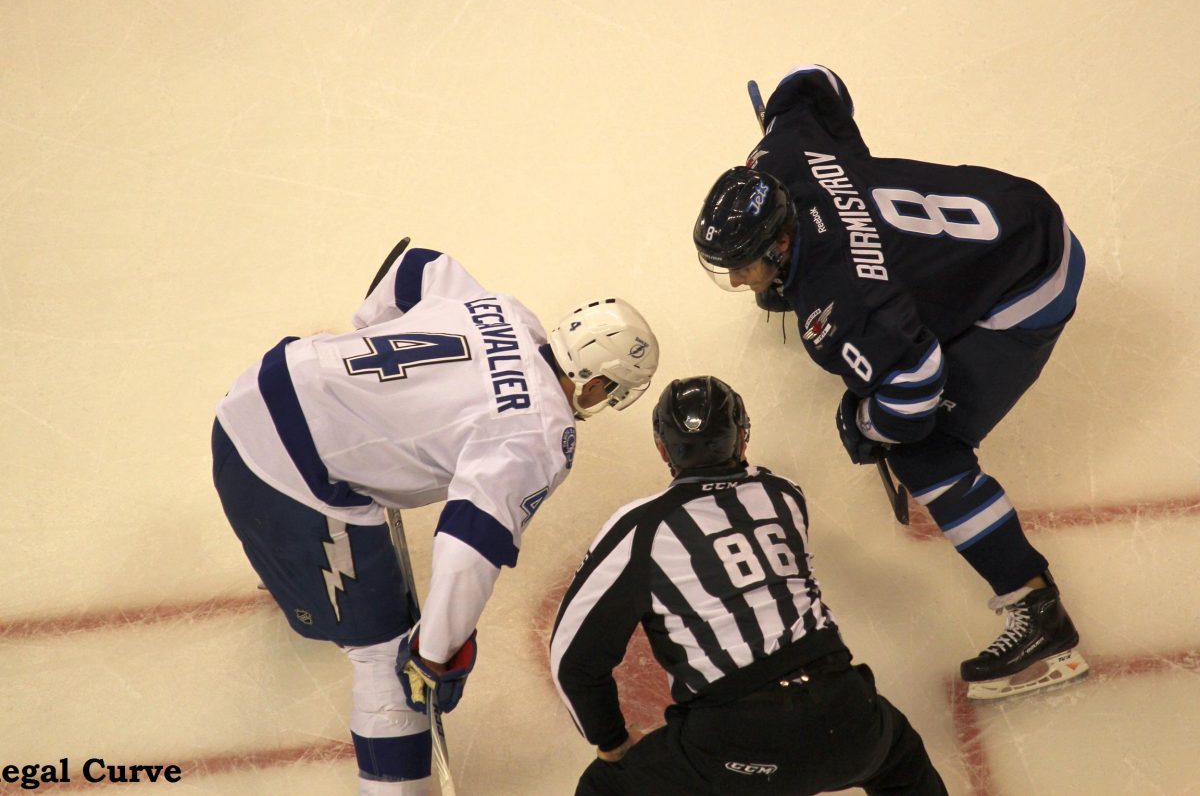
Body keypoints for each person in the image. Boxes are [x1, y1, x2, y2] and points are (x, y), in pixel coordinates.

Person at [692, 64, 1088, 700]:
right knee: (894, 349)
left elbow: (915, 387)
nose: (738, 280)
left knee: (925, 451)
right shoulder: (782, 153)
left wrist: (867, 423)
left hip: (1032, 282)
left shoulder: (839, 305)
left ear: (781, 242)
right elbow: (813, 83)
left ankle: (1037, 610)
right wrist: (848, 181)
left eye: (743, 266)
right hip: (1016, 207)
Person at [211, 242, 659, 795]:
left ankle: (297, 575)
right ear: (595, 383)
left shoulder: (507, 309)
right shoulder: (541, 434)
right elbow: (470, 546)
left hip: (257, 389)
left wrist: (373, 371)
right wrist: (433, 651)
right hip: (277, 476)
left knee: (345, 552)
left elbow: (416, 265)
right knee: (386, 659)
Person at [551, 376, 946, 795]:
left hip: (738, 741)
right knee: (898, 753)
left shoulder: (641, 527)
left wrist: (611, 740)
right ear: (742, 438)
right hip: (849, 713)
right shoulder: (784, 494)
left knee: (605, 788)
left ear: (663, 449)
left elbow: (573, 661)